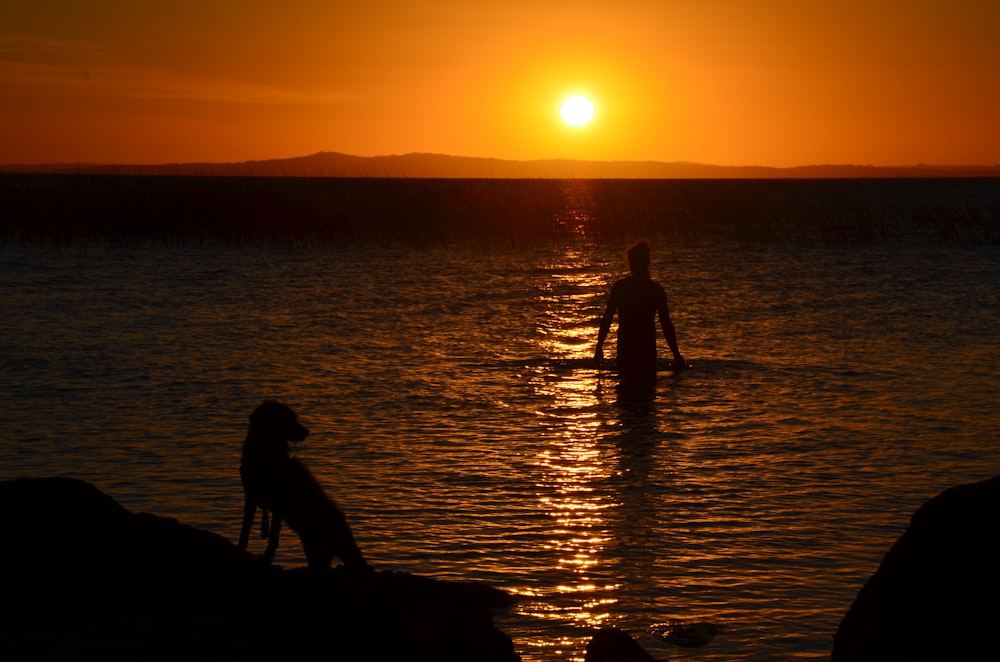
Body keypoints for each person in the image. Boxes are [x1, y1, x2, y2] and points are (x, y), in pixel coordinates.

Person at [595, 238, 686, 386]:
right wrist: (676, 355)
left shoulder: (621, 288)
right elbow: (666, 324)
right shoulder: (655, 290)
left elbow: (607, 319)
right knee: (647, 391)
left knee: (626, 389)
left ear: (631, 263)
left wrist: (599, 347)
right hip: (646, 348)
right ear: (647, 263)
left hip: (627, 347)